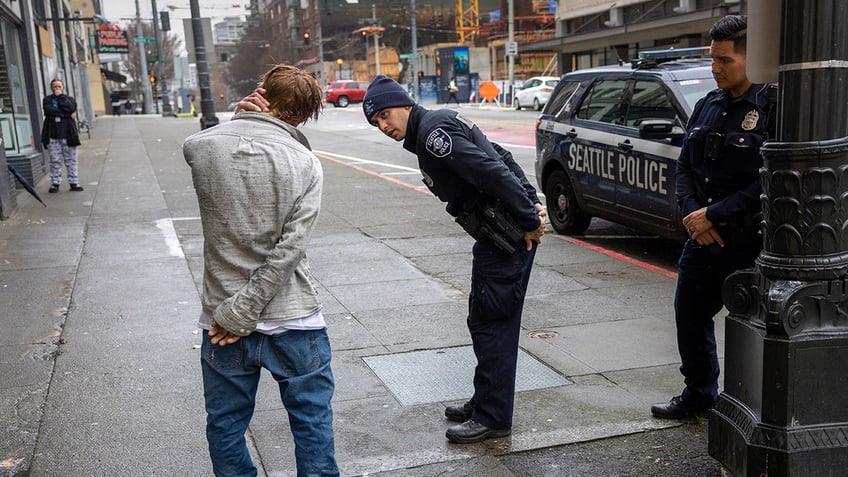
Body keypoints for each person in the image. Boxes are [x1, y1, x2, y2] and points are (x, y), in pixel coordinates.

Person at [363, 75, 545, 443]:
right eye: (375, 122)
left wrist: (530, 217)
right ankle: (485, 401)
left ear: (405, 104)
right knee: (482, 320)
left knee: (492, 325)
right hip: (497, 235)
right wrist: (532, 201)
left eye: (385, 115)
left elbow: (492, 170)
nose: (383, 126)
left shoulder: (432, 135)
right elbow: (500, 155)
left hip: (505, 237)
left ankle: (493, 417)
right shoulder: (434, 126)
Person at [183, 64, 339, 476]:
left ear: (261, 93)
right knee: (312, 424)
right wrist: (247, 310)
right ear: (304, 116)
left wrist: (238, 120)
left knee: (226, 425)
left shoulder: (202, 146)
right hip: (294, 318)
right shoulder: (306, 162)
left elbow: (204, 145)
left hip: (221, 322)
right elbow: (289, 250)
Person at [651, 15, 775, 419]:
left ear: (750, 59)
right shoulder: (707, 105)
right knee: (689, 318)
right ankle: (699, 394)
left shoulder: (772, 106)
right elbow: (684, 167)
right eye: (712, 59)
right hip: (701, 239)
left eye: (724, 60)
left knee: (754, 330)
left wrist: (715, 214)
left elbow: (770, 181)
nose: (715, 68)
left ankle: (752, 407)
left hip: (747, 243)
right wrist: (692, 215)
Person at [41, 79, 82, 193]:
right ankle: (55, 183)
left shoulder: (69, 99)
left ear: (63, 88)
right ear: (51, 88)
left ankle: (74, 182)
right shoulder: (47, 99)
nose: (57, 88)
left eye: (59, 86)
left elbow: (70, 107)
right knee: (55, 161)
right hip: (53, 136)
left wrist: (61, 98)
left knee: (71, 160)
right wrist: (67, 114)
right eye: (55, 87)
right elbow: (49, 111)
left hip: (68, 135)